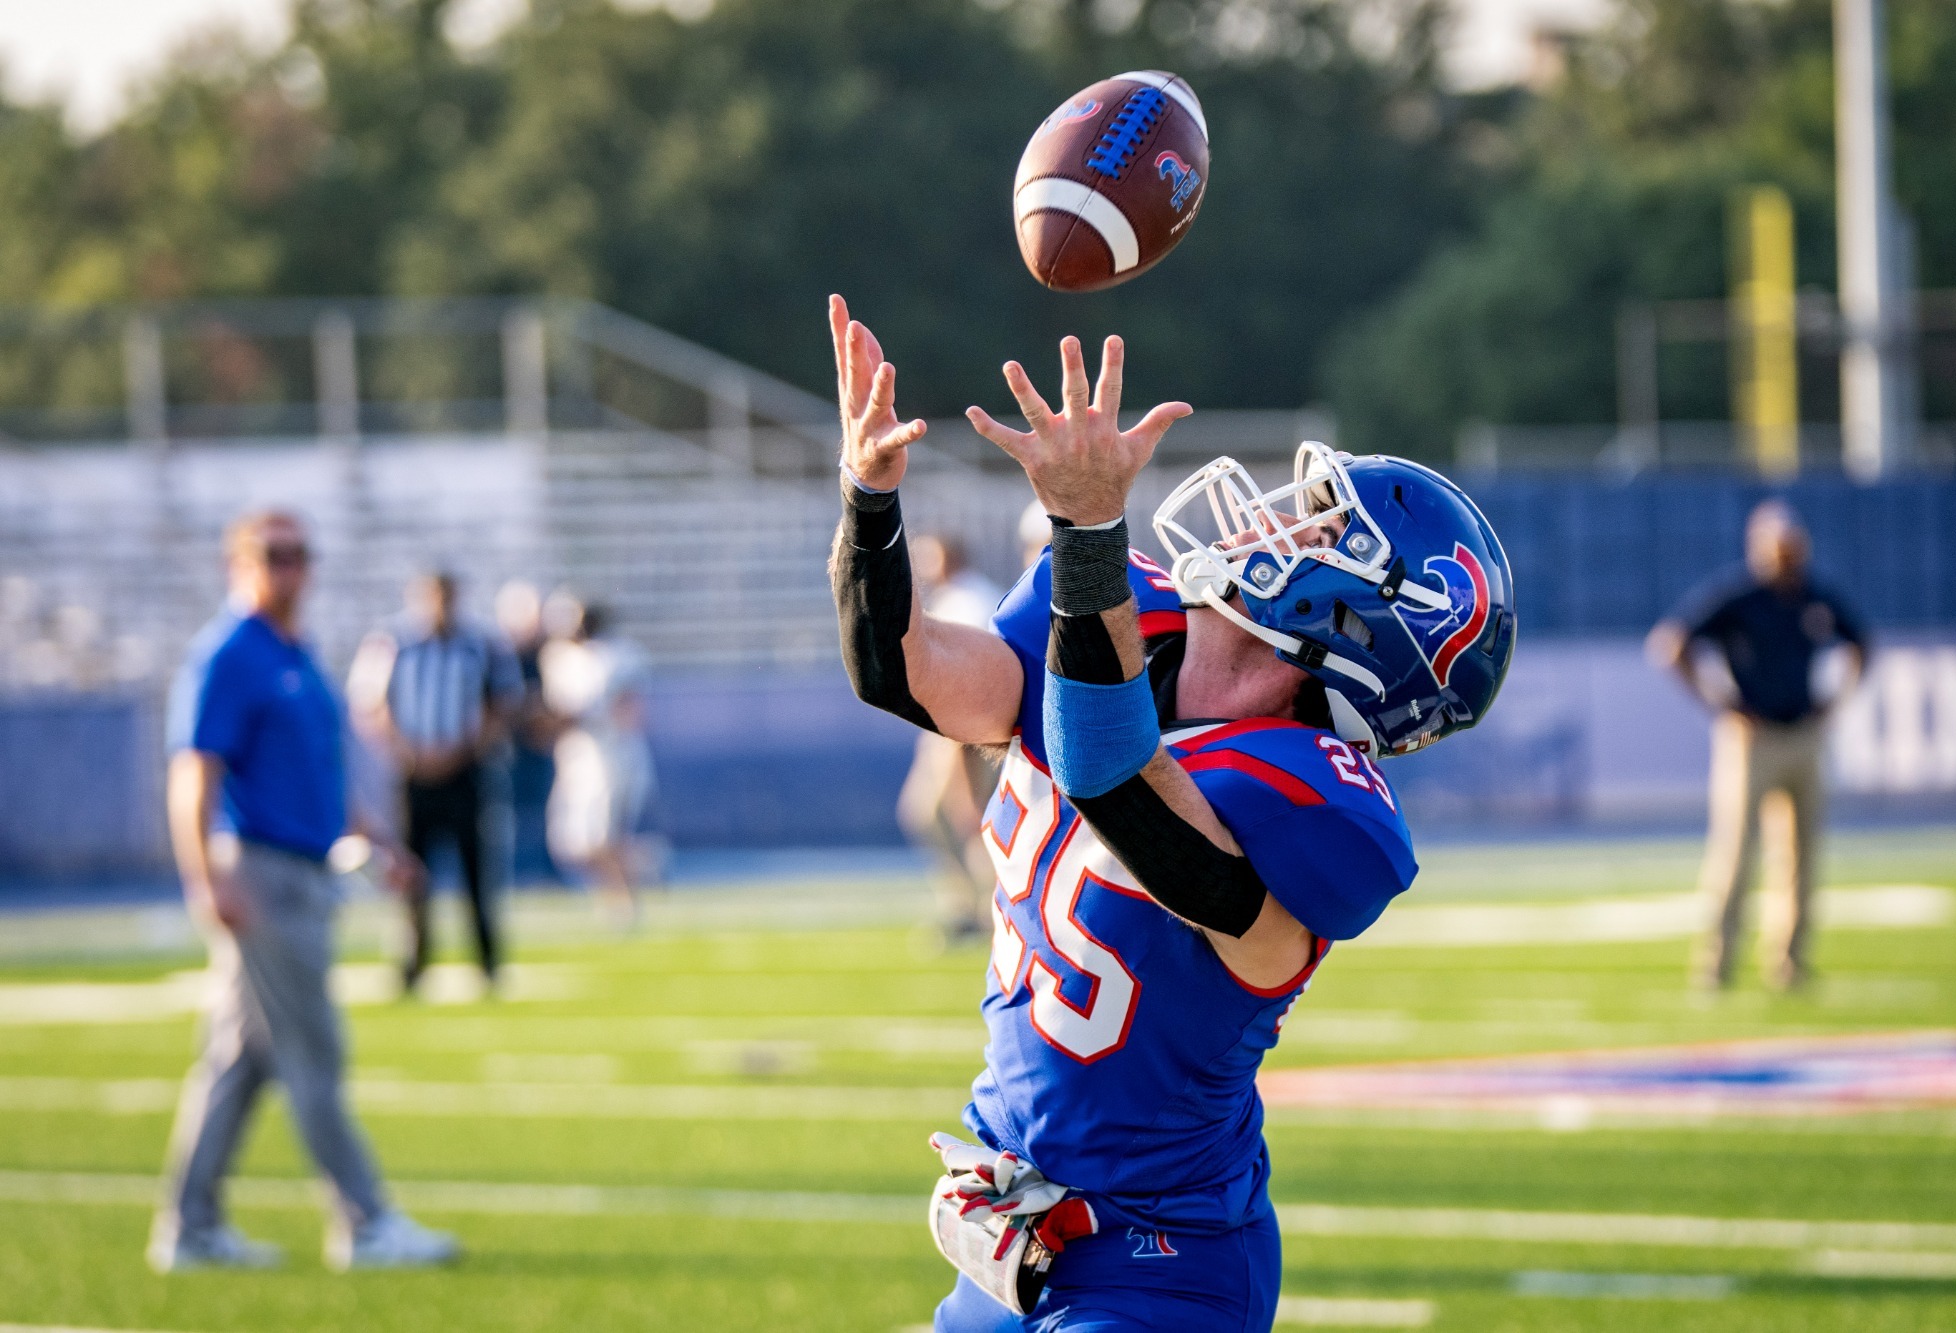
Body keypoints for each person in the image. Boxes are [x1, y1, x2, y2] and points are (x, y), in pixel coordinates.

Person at [824, 296, 1514, 1332]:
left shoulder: (1309, 798)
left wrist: (1088, 528)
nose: (1275, 518)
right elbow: (900, 671)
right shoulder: (1129, 622)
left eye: (1321, 528)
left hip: (1159, 1265)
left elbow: (1110, 775)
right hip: (1010, 1225)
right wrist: (867, 496)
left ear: (1354, 621)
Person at [152, 509, 460, 1273]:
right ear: (241, 563)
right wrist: (205, 877)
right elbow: (194, 772)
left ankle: (189, 1227)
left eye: (300, 555)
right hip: (261, 874)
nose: (291, 570)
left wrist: (380, 842)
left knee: (238, 1059)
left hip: (303, 869)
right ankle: (364, 1222)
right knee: (313, 1052)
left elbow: (321, 775)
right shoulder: (227, 653)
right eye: (274, 555)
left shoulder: (292, 650)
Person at [1647, 499, 1868, 991]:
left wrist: (1834, 703)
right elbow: (1671, 644)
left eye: (1794, 550)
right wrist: (1721, 703)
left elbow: (1862, 643)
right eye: (1781, 551)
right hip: (1753, 739)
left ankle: (1789, 963)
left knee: (1802, 857)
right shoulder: (1739, 597)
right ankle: (1717, 966)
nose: (1789, 560)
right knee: (1735, 856)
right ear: (1760, 550)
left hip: (1804, 735)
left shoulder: (1815, 595)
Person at [371, 570, 523, 993]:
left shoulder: (481, 644)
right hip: (412, 773)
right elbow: (372, 705)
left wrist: (462, 750)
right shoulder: (393, 643)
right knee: (411, 871)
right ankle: (414, 962)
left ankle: (488, 962)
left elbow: (502, 705)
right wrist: (408, 752)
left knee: (478, 869)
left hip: (466, 770)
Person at [898, 535, 1006, 944]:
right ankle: (973, 906)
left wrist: (964, 741)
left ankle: (984, 908)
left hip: (963, 727)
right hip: (956, 726)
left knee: (965, 817)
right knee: (939, 816)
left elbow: (973, 677)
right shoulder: (961, 597)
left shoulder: (969, 599)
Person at [542, 600, 656, 926]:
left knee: (601, 837)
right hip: (577, 759)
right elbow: (555, 716)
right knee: (570, 844)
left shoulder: (619, 655)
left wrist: (581, 718)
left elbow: (629, 711)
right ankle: (645, 864)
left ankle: (620, 903)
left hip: (612, 758)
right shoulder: (559, 658)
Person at [495, 579, 564, 885]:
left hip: (540, 747)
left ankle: (547, 872)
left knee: (546, 811)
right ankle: (511, 874)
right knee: (504, 814)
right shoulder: (500, 654)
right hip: (508, 749)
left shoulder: (548, 653)